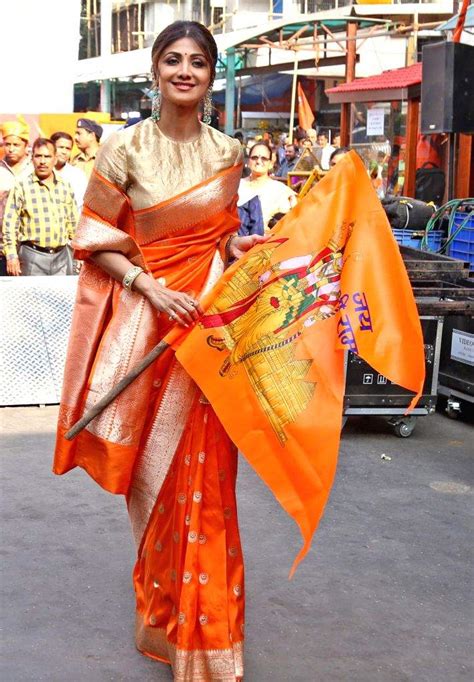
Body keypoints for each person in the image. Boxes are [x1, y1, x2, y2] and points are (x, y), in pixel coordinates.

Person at [53, 21, 266, 681]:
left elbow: (223, 242)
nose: (184, 71)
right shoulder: (123, 150)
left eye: (197, 62)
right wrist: (148, 284)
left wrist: (241, 254)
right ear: (154, 69)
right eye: (172, 60)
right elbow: (93, 241)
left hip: (205, 340)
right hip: (142, 337)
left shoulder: (230, 153)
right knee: (148, 484)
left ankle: (209, 640)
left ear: (211, 75)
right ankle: (163, 615)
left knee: (208, 489)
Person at [3, 137, 77, 276]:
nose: (42, 161)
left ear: (55, 159)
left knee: (61, 297)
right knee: (31, 297)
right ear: (32, 159)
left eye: (47, 156)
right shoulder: (21, 186)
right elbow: (10, 225)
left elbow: (73, 224)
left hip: (61, 256)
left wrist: (80, 254)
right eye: (38, 156)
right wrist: (11, 256)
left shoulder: (65, 186)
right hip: (31, 256)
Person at [239, 141, 296, 233]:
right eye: (254, 157)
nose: (258, 161)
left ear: (270, 163)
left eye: (264, 158)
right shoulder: (236, 186)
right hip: (236, 242)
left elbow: (289, 224)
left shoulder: (281, 190)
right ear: (248, 161)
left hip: (268, 243)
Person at [0, 119, 32, 275]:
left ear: (26, 146)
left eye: (16, 145)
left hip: (31, 248)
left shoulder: (35, 170)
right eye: (7, 144)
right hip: (2, 246)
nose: (11, 149)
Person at [51, 131, 88, 211]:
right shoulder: (40, 172)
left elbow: (79, 205)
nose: (64, 152)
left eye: (68, 148)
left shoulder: (78, 176)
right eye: (61, 147)